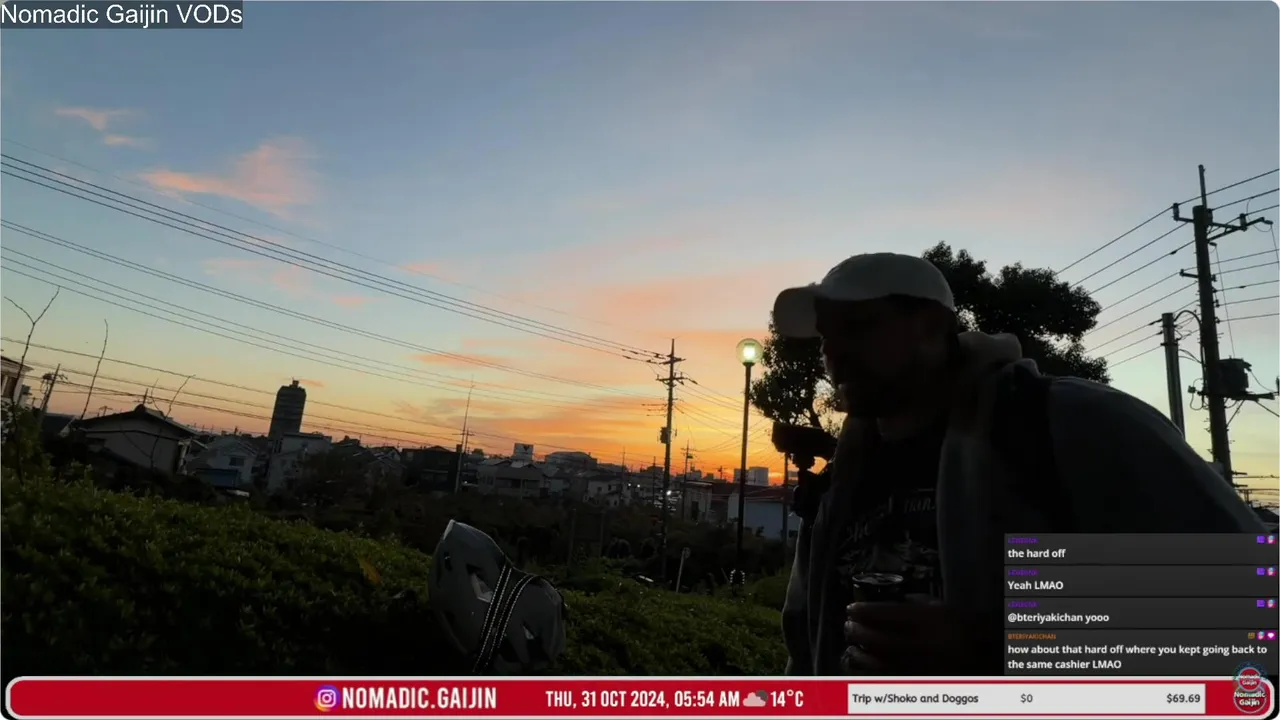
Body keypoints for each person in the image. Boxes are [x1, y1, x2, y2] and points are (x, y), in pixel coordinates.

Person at [771, 252, 1266, 676]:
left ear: (933, 327)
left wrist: (1009, 643)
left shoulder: (1075, 423)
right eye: (825, 336)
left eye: (859, 328)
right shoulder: (841, 481)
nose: (833, 354)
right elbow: (804, 641)